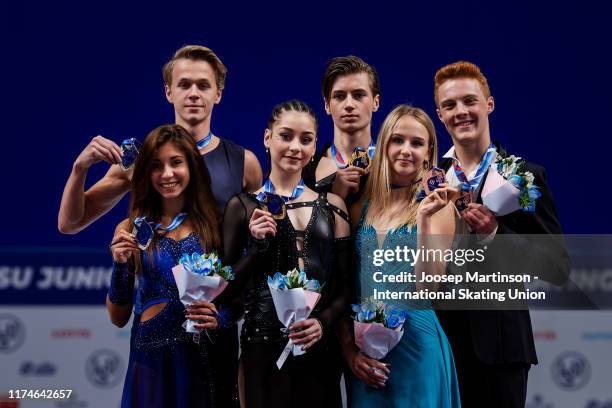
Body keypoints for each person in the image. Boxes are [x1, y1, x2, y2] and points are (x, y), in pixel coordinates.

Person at [59, 45, 261, 407]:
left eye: (203, 84)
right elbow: (71, 223)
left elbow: (256, 256)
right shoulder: (143, 161)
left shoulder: (244, 163)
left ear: (219, 92)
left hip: (215, 332)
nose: (194, 93)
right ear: (169, 91)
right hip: (155, 337)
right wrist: (79, 168)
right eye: (184, 84)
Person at [433, 61, 569, 407]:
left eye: (469, 101)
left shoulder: (525, 176)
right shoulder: (428, 178)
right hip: (437, 348)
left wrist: (496, 234)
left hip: (501, 349)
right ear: (439, 114)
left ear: (489, 104)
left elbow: (556, 267)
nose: (460, 111)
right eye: (449, 105)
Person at [220, 100, 351, 408]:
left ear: (315, 144)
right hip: (262, 349)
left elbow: (345, 288)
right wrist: (256, 249)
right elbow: (224, 291)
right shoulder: (242, 206)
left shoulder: (334, 205)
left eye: (305, 139)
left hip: (319, 349)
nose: (295, 146)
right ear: (268, 138)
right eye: (286, 136)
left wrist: (322, 323)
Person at [339, 104, 461, 407]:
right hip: (369, 356)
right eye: (398, 140)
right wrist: (351, 353)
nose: (406, 150)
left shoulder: (441, 207)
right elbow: (344, 286)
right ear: (384, 145)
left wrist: (423, 219)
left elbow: (427, 289)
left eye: (417, 143)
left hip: (418, 349)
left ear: (429, 151)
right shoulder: (360, 208)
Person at [106, 124, 220, 408]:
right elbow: (118, 317)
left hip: (201, 361)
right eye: (157, 166)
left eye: (176, 162)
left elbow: (237, 300)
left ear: (192, 166)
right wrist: (120, 265)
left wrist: (221, 317)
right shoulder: (130, 227)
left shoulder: (215, 226)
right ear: (146, 172)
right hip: (149, 362)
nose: (167, 174)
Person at [303, 55, 380, 203]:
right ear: (327, 105)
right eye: (339, 96)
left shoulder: (393, 165)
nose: (349, 104)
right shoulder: (304, 170)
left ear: (375, 102)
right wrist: (334, 197)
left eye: (358, 95)